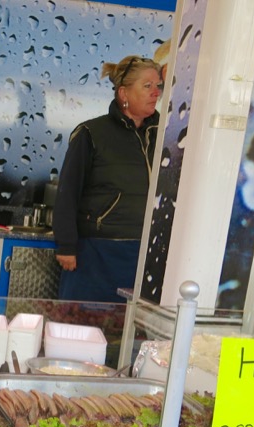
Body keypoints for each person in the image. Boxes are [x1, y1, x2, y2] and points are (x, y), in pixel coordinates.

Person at [53, 55, 163, 303]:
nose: (156, 93)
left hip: (148, 251)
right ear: (123, 93)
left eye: (158, 86)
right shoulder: (91, 133)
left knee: (136, 333)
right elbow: (68, 193)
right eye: (147, 86)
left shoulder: (166, 135)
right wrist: (66, 246)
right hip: (98, 252)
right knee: (87, 325)